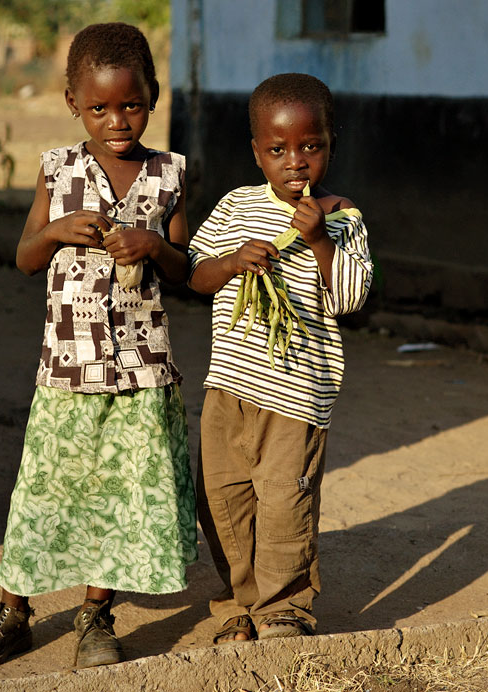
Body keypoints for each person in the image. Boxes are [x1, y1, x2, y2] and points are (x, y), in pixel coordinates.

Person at [0, 23, 197, 670]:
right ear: (72, 104)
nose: (117, 120)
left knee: (121, 496)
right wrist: (58, 229)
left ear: (153, 96)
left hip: (142, 373)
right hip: (67, 368)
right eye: (98, 107)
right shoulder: (57, 170)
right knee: (45, 489)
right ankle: (14, 610)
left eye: (131, 104)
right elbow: (24, 257)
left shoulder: (168, 174)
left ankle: (95, 613)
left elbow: (183, 269)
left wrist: (154, 247)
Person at [188, 73, 373, 643]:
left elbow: (350, 299)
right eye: (278, 149)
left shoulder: (343, 218)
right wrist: (234, 260)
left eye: (310, 147)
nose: (295, 161)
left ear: (329, 146)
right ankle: (238, 606)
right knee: (222, 498)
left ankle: (284, 608)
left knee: (285, 502)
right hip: (228, 389)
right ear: (257, 152)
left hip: (297, 396)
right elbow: (196, 274)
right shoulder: (236, 206)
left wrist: (321, 241)